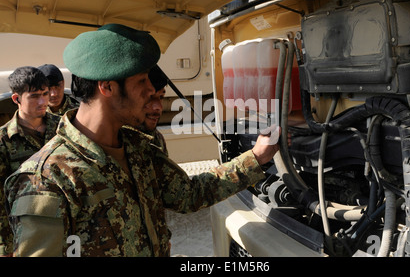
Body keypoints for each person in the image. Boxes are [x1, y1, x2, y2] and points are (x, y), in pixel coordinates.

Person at [4, 23, 280, 257]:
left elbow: (189, 195)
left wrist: (257, 156)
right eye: (141, 82)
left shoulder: (137, 148)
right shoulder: (46, 180)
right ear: (107, 87)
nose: (151, 92)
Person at [0, 66, 60, 256]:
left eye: (45, 93)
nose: (43, 101)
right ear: (17, 99)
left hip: (66, 227)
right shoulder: (4, 140)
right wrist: (7, 248)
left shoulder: (64, 129)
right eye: (34, 96)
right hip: (26, 234)